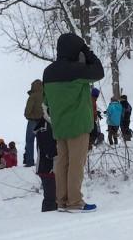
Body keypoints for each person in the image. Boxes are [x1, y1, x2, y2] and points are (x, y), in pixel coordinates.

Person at [43, 32, 104, 212]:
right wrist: (87, 50)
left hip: (59, 124)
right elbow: (99, 71)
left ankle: (61, 201)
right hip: (78, 123)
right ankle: (75, 202)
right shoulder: (76, 70)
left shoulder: (48, 72)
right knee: (76, 164)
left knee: (62, 162)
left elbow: (46, 100)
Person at [34, 117, 57, 212]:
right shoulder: (44, 127)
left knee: (54, 196)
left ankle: (53, 216)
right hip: (47, 167)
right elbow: (49, 151)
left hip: (48, 166)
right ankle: (47, 219)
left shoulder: (47, 125)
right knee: (50, 198)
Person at [23, 79, 44, 167]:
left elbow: (28, 110)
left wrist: (28, 116)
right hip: (43, 121)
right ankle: (41, 161)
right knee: (41, 142)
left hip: (32, 121)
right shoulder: (45, 95)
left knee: (29, 141)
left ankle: (29, 161)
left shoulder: (33, 96)